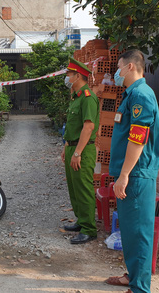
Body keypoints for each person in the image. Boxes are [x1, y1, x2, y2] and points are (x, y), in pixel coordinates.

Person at [105, 50, 159, 293]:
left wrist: (125, 174)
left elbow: (137, 139)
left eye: (118, 68)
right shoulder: (132, 95)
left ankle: (140, 288)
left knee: (139, 234)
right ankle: (133, 276)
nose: (116, 73)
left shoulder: (140, 95)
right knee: (130, 231)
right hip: (131, 174)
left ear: (130, 67)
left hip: (136, 175)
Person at [60, 57, 100, 244]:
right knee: (74, 188)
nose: (66, 77)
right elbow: (73, 126)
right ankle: (81, 221)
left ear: (77, 75)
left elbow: (88, 127)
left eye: (69, 74)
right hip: (72, 147)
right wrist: (67, 147)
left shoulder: (88, 97)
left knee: (83, 189)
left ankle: (89, 229)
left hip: (82, 150)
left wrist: (77, 153)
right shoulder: (75, 97)